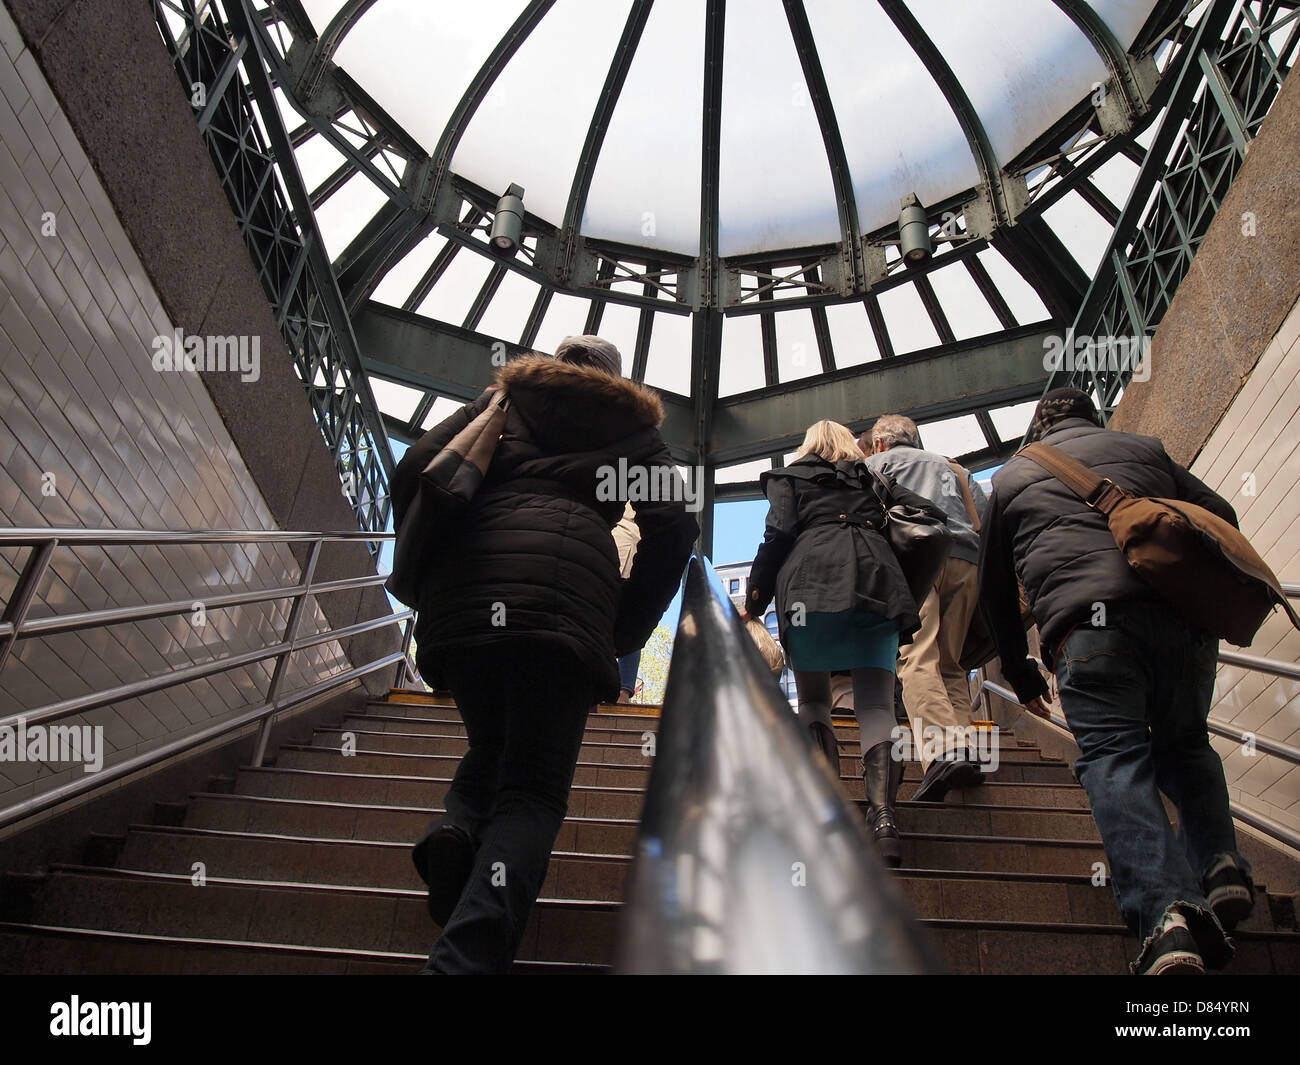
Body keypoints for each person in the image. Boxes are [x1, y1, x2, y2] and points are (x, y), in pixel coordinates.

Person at [392, 335, 697, 974]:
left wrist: (437, 570)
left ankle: (455, 830)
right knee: (532, 789)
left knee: (491, 746)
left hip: (469, 596)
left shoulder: (505, 398)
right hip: (566, 607)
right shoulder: (634, 430)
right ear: (618, 379)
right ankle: (464, 959)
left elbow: (418, 463)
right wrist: (624, 625)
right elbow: (674, 528)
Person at [978, 387, 1253, 975]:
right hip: (1180, 620)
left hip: (1088, 629)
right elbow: (1220, 515)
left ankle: (1166, 916)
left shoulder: (1012, 479)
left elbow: (995, 594)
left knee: (1114, 757)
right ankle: (1221, 863)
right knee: (1185, 743)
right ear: (1092, 417)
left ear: (1037, 430)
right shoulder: (1144, 449)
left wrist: (1022, 671)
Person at [741, 420, 941, 867]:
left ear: (808, 445)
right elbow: (928, 514)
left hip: (810, 590)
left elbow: (776, 538)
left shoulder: (790, 478)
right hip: (877, 583)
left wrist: (755, 598)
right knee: (876, 706)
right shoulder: (872, 478)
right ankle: (884, 818)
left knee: (813, 700)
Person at [862, 416, 989, 802]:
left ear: (880, 443)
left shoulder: (874, 467)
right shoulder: (956, 469)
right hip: (967, 561)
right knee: (952, 664)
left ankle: (942, 754)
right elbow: (984, 519)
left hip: (913, 562)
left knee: (916, 656)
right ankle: (966, 750)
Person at [612, 502, 642, 703]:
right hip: (631, 563)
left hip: (617, 559)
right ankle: (623, 691)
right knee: (633, 626)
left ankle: (621, 689)